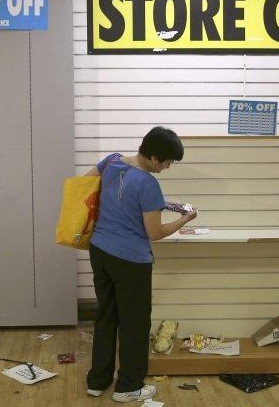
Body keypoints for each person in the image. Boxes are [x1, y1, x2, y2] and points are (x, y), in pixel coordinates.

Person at [84, 126, 198, 403]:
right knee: (134, 324)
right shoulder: (148, 184)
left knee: (106, 316)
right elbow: (155, 233)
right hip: (130, 260)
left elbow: (86, 183)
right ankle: (128, 387)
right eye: (168, 162)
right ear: (155, 156)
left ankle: (97, 382)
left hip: (99, 250)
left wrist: (157, 205)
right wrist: (184, 220)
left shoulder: (112, 161)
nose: (167, 168)